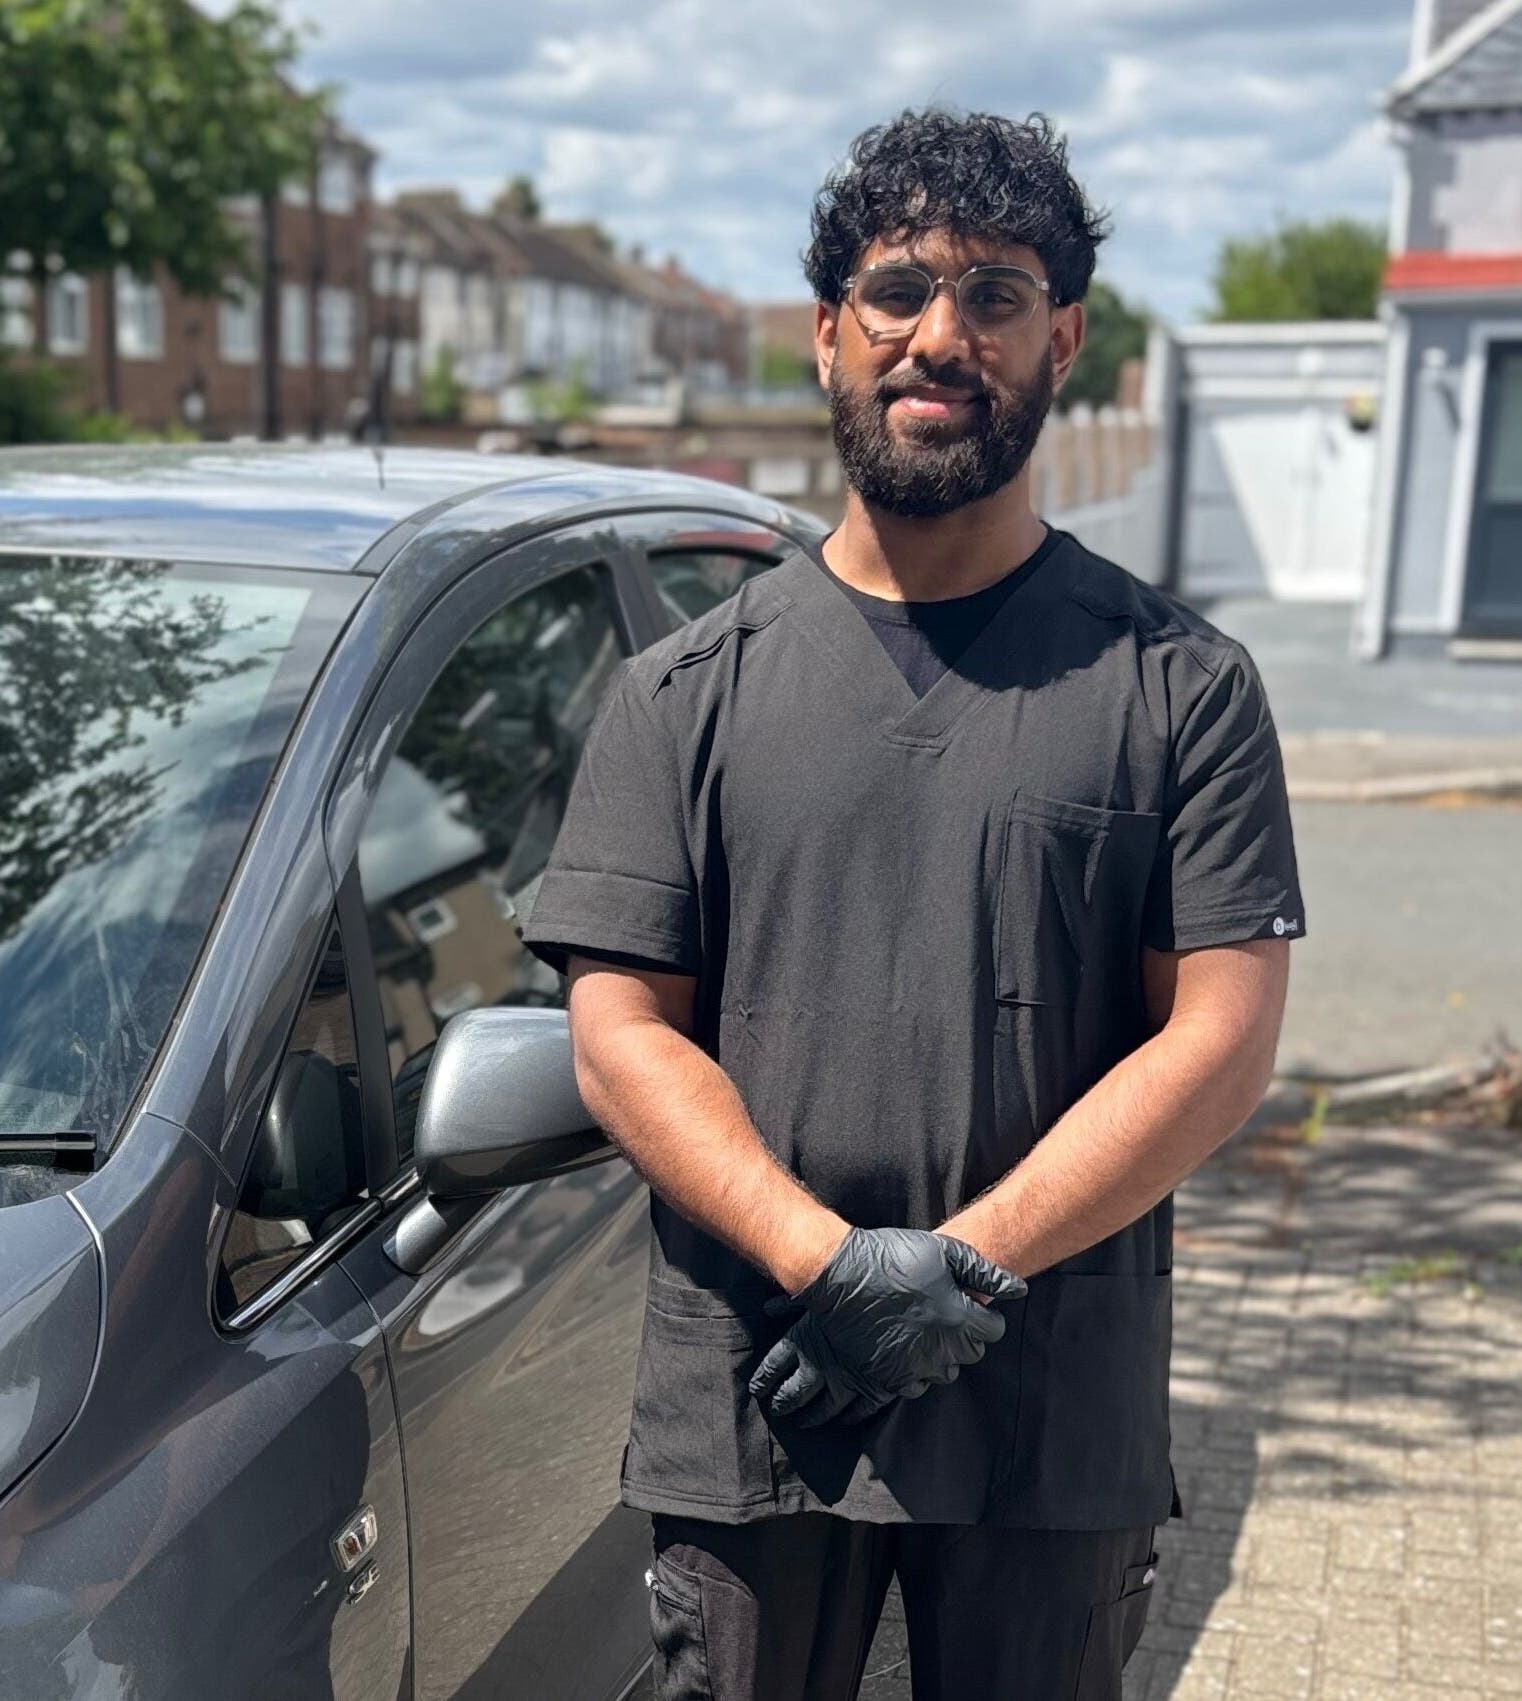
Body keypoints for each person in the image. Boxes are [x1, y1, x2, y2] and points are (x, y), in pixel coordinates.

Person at [517, 108, 1302, 1701]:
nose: (940, 335)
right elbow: (617, 1036)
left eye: (997, 292)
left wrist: (964, 1266)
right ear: (825, 335)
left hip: (1044, 1409)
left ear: (1061, 338)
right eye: (895, 289)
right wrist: (826, 1264)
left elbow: (1214, 1042)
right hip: (763, 1392)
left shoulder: (1179, 688)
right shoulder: (682, 696)